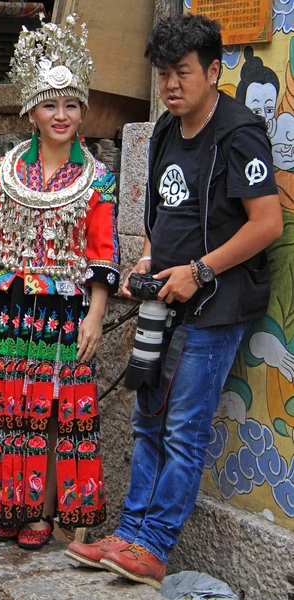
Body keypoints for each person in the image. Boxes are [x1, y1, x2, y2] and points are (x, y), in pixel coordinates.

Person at [65, 13, 282, 589]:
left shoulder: (239, 134)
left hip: (217, 304)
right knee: (146, 420)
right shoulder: (164, 130)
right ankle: (130, 535)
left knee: (184, 429)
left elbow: (268, 223)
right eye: (163, 75)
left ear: (213, 71)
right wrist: (146, 257)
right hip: (164, 299)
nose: (171, 85)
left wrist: (201, 269)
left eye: (183, 73)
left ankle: (154, 547)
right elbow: (163, 217)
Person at [0, 14, 120, 550]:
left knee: (53, 412)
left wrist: (96, 315)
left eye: (71, 104)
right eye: (50, 103)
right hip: (8, 308)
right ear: (31, 109)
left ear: (82, 111)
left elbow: (103, 254)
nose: (61, 115)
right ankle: (15, 504)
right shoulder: (5, 169)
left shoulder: (97, 177)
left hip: (64, 314)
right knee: (12, 407)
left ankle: (44, 514)